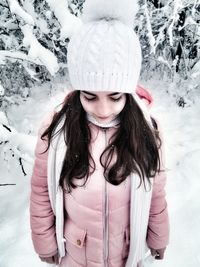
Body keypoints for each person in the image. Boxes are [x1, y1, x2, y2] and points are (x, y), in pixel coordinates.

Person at [30, 0, 170, 266]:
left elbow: (156, 192)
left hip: (126, 255)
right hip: (75, 256)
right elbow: (40, 191)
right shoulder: (57, 129)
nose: (103, 109)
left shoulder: (147, 130)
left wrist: (158, 237)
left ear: (128, 91)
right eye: (90, 96)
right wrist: (44, 240)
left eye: (115, 96)